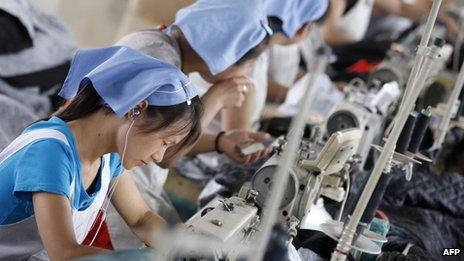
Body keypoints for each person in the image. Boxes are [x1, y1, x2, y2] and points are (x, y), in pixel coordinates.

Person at [0, 46, 203, 260]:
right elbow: (64, 254)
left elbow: (141, 219)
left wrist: (176, 243)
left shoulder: (109, 156)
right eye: (164, 142)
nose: (159, 157)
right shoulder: (50, 153)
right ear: (137, 109)